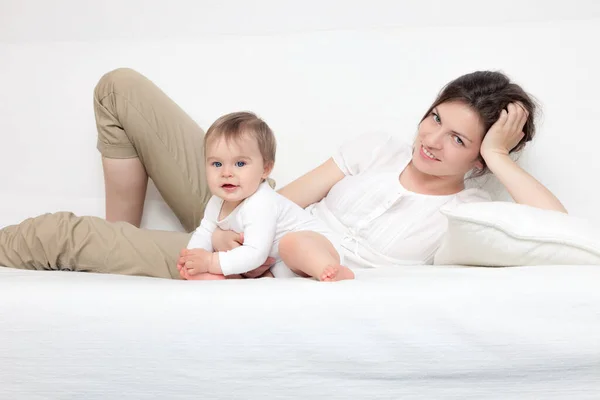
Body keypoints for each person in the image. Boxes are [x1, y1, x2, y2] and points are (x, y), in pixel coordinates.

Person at [0, 68, 566, 278]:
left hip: (262, 268)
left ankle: (111, 250)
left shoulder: (466, 210)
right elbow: (280, 197)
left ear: (480, 157)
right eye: (435, 118)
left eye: (459, 139)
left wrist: (498, 158)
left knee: (52, 233)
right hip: (247, 214)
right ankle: (118, 248)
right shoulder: (376, 148)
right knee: (120, 89)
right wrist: (227, 225)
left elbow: (565, 234)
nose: (433, 140)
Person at [177, 111, 353, 282]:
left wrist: (210, 262)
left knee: (290, 244)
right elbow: (205, 232)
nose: (226, 173)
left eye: (240, 163)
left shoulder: (260, 202)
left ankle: (329, 269)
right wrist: (192, 257)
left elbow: (255, 252)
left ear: (265, 169)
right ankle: (224, 278)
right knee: (217, 267)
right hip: (279, 265)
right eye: (217, 163)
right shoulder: (216, 202)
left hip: (318, 247)